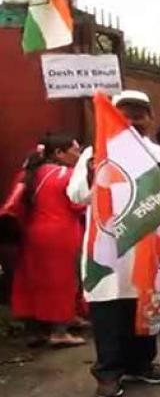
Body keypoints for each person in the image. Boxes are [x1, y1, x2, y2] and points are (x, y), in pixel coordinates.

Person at [67, 90, 160, 397]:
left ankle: (142, 365)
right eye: (124, 113)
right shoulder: (94, 154)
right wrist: (92, 176)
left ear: (150, 119)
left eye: (139, 113)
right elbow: (75, 196)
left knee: (145, 307)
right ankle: (108, 373)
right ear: (111, 117)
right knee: (108, 311)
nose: (131, 120)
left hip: (146, 248)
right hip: (106, 251)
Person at [11, 133, 85, 348]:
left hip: (33, 232)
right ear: (59, 153)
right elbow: (77, 204)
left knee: (34, 280)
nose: (78, 154)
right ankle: (59, 331)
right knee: (63, 280)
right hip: (62, 233)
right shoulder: (68, 174)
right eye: (75, 150)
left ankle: (35, 331)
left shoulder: (27, 174)